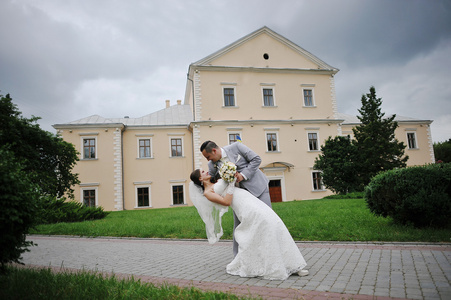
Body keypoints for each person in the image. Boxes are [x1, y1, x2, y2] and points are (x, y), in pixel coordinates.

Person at [189, 169, 309, 280]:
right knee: (265, 225)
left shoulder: (217, 181)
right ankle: (274, 266)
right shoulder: (207, 192)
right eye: (203, 172)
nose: (206, 171)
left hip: (249, 199)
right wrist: (231, 184)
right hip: (243, 207)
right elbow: (226, 202)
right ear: (200, 179)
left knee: (275, 222)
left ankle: (294, 264)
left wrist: (232, 176)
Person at [200, 140, 271, 257]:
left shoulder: (236, 147)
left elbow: (256, 159)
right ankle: (238, 257)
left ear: (214, 151)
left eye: (208, 157)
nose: (208, 160)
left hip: (258, 188)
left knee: (267, 219)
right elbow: (212, 180)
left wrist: (242, 175)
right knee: (239, 226)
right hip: (239, 197)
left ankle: (268, 252)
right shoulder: (211, 165)